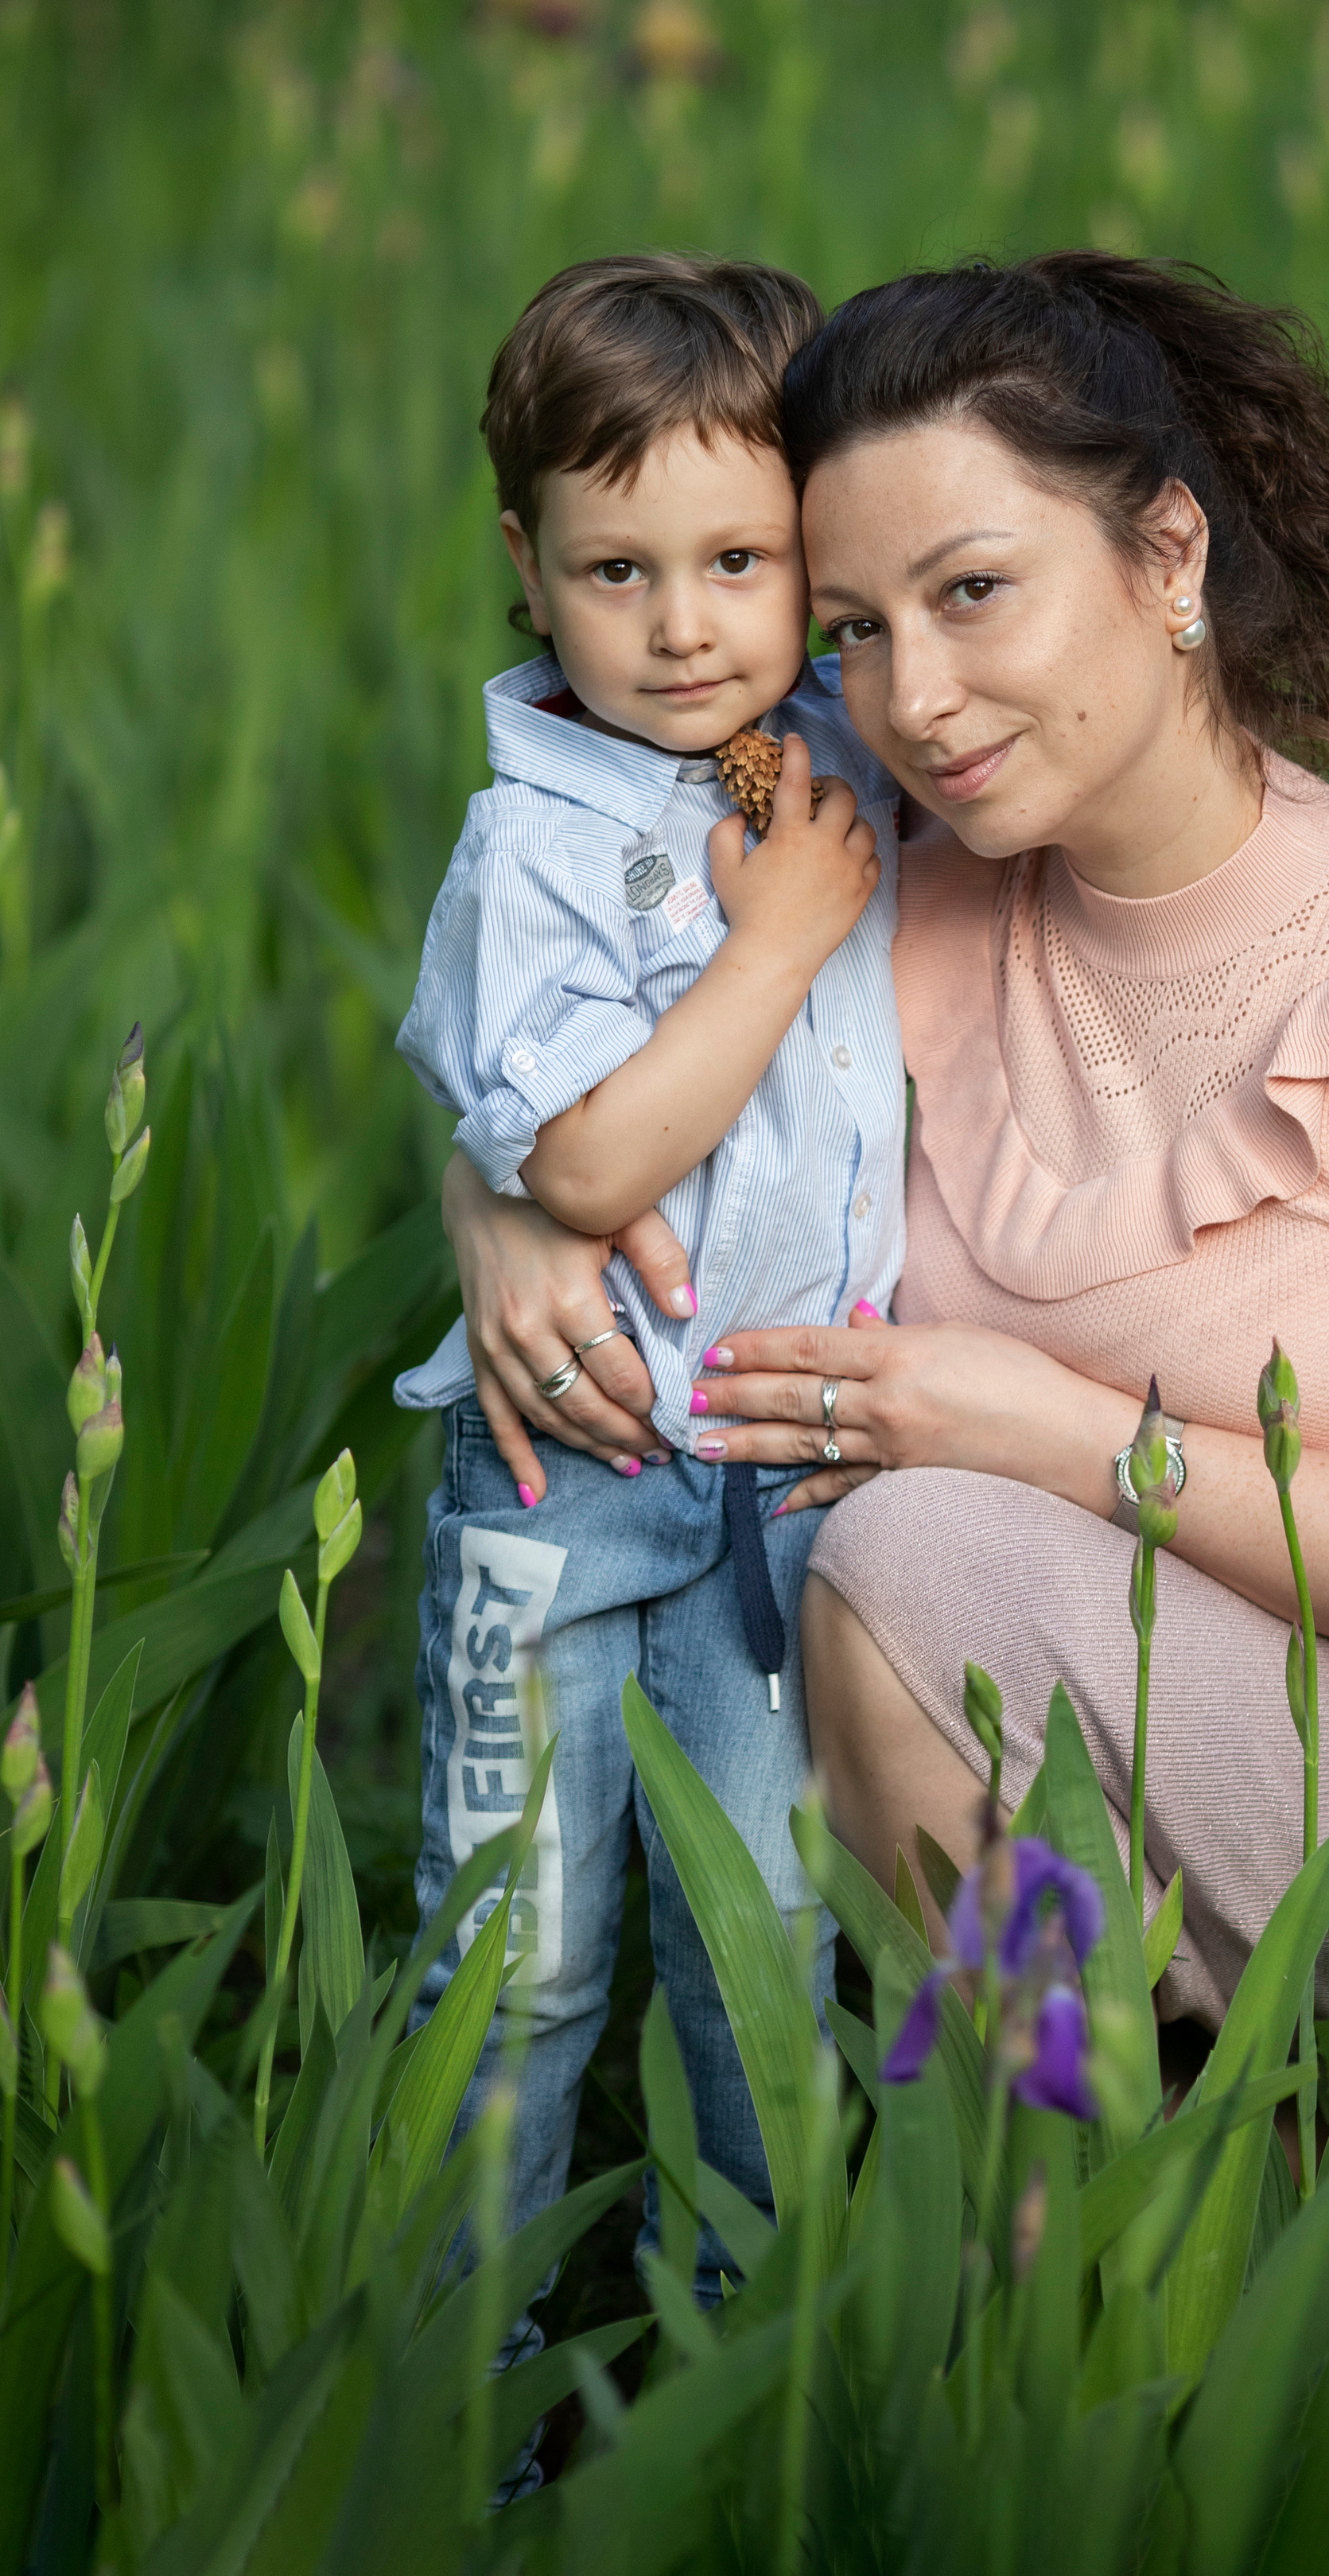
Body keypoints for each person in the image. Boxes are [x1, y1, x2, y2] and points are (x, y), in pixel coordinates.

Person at [445, 251, 1329, 2075]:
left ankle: (1079, 2216)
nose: (913, 695)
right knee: (822, 1523)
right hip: (1099, 1676)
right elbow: (579, 1017)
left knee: (893, 1535)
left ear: (1168, 556)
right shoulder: (881, 891)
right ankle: (1145, 2182)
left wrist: (1040, 1423)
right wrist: (494, 1207)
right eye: (856, 626)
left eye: (973, 594)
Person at [392, 252, 904, 2309]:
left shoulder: (842, 765)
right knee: (520, 1953)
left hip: (789, 1469)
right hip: (574, 1477)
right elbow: (589, 1157)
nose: (684, 622)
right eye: (618, 569)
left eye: (737, 557)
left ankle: (749, 2386)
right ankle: (450, 2419)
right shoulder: (528, 843)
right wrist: (773, 943)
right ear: (527, 566)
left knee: (765, 1944)